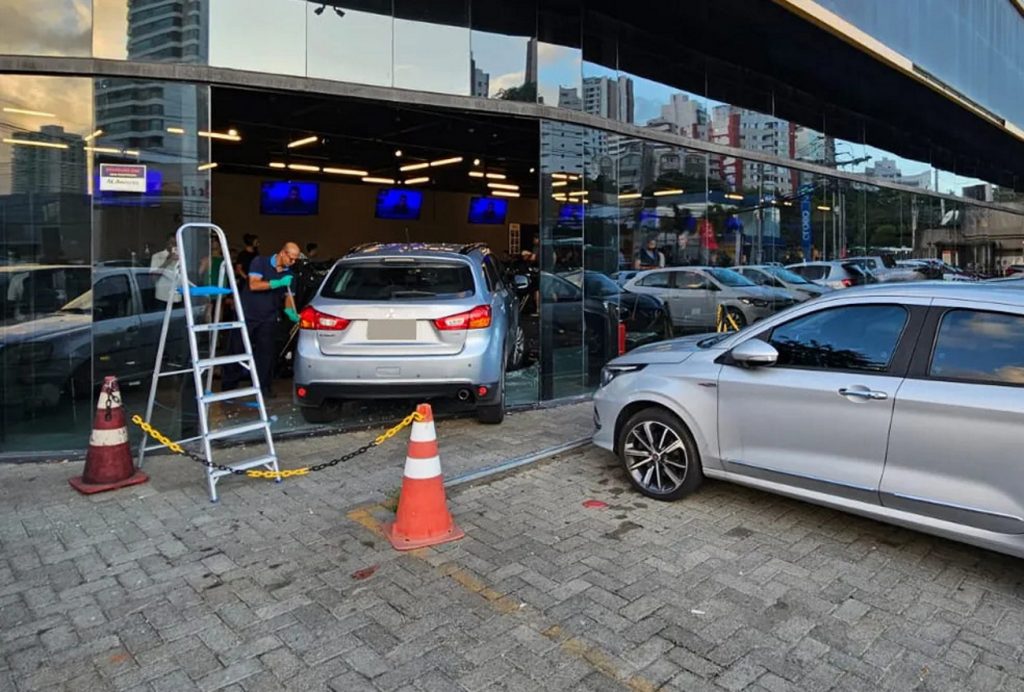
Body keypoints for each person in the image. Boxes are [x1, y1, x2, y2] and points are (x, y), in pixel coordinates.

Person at [222, 242, 301, 398]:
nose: (292, 263)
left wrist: (291, 313)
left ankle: (263, 387)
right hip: (247, 314)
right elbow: (254, 285)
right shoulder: (260, 262)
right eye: (291, 259)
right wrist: (277, 282)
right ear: (283, 253)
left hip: (269, 316)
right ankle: (229, 385)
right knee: (237, 348)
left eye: (295, 260)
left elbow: (288, 298)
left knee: (266, 353)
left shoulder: (290, 275)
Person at [150, 234, 182, 304]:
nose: (174, 246)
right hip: (163, 297)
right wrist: (168, 261)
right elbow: (153, 278)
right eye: (172, 243)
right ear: (167, 243)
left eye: (176, 243)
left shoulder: (183, 256)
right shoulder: (157, 256)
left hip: (179, 296)